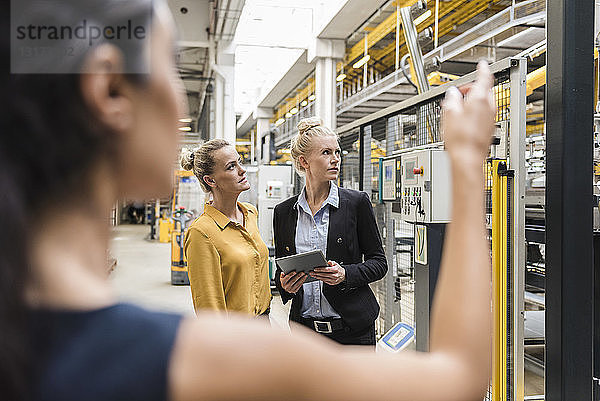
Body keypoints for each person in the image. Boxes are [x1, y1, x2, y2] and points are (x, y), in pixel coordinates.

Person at [1, 0, 496, 399]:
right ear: (109, 90)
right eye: (169, 63)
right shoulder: (183, 357)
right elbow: (459, 378)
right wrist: (468, 163)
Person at [273, 117, 387, 345]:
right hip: (304, 332)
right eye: (326, 152)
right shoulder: (284, 212)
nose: (336, 159)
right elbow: (282, 266)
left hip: (352, 331)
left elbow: (379, 262)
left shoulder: (356, 203)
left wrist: (345, 274)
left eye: (337, 152)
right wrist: (283, 284)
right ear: (304, 161)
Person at [180, 140, 271, 316]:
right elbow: (208, 308)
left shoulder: (250, 213)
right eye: (231, 167)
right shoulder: (202, 233)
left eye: (240, 162)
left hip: (264, 322)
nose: (242, 170)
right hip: (235, 334)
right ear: (210, 180)